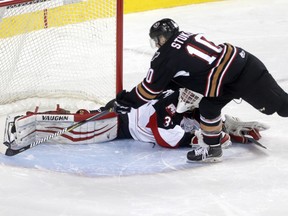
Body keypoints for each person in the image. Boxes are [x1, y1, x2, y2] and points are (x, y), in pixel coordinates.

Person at [113, 18, 288, 162]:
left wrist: (127, 100)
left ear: (162, 38)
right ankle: (212, 148)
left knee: (282, 107)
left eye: (157, 39)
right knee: (208, 107)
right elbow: (180, 75)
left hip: (245, 74)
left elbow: (149, 90)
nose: (157, 44)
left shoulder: (166, 57)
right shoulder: (184, 36)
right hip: (227, 78)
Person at [4, 89, 268, 154]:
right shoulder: (170, 104)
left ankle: (31, 122)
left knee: (81, 123)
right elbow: (166, 137)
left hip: (125, 121)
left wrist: (224, 128)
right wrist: (200, 138)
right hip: (120, 123)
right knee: (77, 130)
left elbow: (196, 120)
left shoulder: (184, 100)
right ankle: (26, 123)